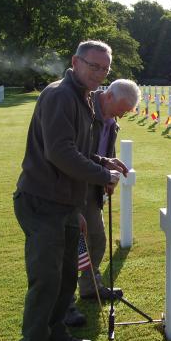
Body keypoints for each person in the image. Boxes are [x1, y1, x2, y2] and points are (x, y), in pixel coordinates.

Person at [13, 40, 127, 341]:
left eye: (105, 69)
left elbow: (78, 150)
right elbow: (60, 153)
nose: (99, 73)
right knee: (46, 280)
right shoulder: (60, 95)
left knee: (65, 277)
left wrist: (101, 160)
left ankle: (57, 334)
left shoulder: (85, 97)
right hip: (42, 201)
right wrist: (102, 174)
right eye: (93, 66)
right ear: (75, 62)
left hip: (66, 202)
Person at [64, 79, 141, 327]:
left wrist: (107, 175)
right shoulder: (84, 109)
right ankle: (64, 306)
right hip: (68, 185)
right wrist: (101, 171)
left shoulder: (111, 119)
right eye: (121, 109)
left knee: (96, 239)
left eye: (127, 112)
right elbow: (72, 153)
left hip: (92, 185)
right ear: (108, 96)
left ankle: (90, 286)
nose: (122, 115)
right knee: (69, 246)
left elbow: (103, 151)